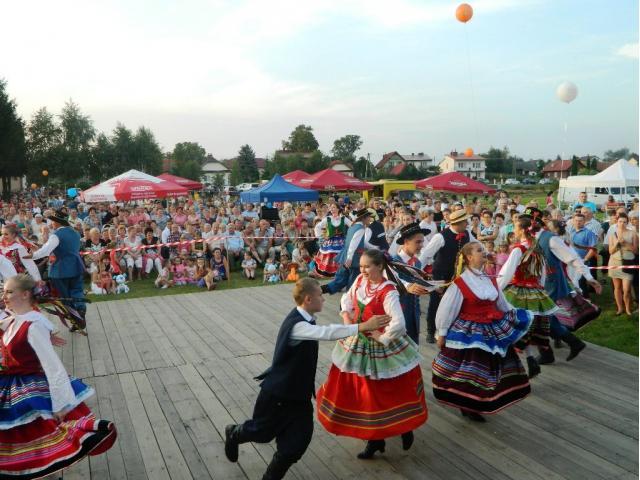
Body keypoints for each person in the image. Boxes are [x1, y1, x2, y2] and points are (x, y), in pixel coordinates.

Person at [224, 278, 390, 480]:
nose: (324, 299)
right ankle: (234, 433)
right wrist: (362, 326)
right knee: (262, 432)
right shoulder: (298, 326)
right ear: (308, 299)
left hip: (299, 397)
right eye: (320, 295)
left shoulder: (306, 319)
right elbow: (326, 333)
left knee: (296, 444)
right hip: (278, 394)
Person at [0, 274, 117, 478]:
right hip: (11, 384)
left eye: (9, 292)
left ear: (25, 294)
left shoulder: (33, 325)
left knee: (44, 441)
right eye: (3, 292)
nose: (4, 296)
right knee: (25, 440)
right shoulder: (13, 320)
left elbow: (53, 366)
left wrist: (61, 404)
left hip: (31, 389)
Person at [316, 249, 428, 459]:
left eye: (367, 266)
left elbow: (399, 323)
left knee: (388, 391)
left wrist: (382, 337)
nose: (363, 270)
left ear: (380, 266)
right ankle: (375, 440)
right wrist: (347, 319)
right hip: (358, 341)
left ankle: (404, 428)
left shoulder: (388, 290)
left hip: (381, 347)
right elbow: (347, 300)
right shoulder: (360, 281)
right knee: (365, 394)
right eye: (361, 266)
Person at [433, 242, 532, 422]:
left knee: (488, 370)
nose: (484, 252)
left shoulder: (490, 278)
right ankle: (468, 405)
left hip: (491, 329)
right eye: (479, 250)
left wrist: (516, 318)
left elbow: (502, 303)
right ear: (469, 257)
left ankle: (479, 403)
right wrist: (442, 332)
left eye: (483, 249)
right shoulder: (460, 282)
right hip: (469, 333)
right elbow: (447, 309)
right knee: (470, 371)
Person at [497, 216, 557, 378]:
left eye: (515, 227)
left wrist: (496, 290)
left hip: (518, 292)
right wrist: (539, 289)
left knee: (510, 327)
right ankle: (530, 361)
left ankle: (510, 369)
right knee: (525, 328)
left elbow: (506, 273)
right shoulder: (536, 248)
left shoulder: (518, 249)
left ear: (523, 230)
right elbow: (541, 274)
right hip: (535, 292)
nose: (514, 231)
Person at [419, 209, 475, 343]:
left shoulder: (467, 233)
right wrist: (417, 273)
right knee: (436, 303)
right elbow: (425, 255)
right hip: (440, 276)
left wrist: (487, 255)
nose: (467, 224)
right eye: (465, 221)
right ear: (458, 223)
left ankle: (449, 331)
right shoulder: (440, 237)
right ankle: (431, 331)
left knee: (455, 303)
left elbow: (476, 244)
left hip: (458, 276)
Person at [30, 210, 87, 331]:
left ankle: (76, 319)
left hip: (61, 269)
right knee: (77, 290)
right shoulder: (75, 233)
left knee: (65, 297)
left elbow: (46, 250)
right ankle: (80, 309)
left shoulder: (56, 235)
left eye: (53, 221)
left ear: (57, 222)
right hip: (76, 265)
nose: (51, 223)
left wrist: (33, 255)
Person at [391, 222, 432, 343]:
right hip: (398, 310)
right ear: (406, 242)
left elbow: (417, 284)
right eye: (418, 242)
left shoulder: (417, 262)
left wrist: (430, 285)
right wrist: (408, 286)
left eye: (422, 242)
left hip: (414, 310)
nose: (421, 245)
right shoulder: (393, 262)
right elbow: (393, 281)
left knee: (413, 342)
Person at [322, 208, 374, 294]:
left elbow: (362, 242)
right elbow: (353, 244)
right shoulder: (360, 228)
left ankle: (321, 290)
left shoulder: (352, 226)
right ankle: (350, 298)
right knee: (353, 282)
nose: (370, 219)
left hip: (345, 256)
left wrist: (376, 248)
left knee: (340, 280)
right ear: (363, 218)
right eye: (369, 217)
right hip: (354, 259)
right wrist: (350, 258)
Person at [608, 213, 638, 317]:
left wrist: (625, 243)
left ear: (627, 223)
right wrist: (617, 243)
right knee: (617, 288)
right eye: (620, 221)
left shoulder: (632, 234)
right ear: (617, 222)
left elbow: (635, 251)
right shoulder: (613, 234)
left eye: (624, 222)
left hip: (628, 262)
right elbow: (610, 251)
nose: (622, 224)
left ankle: (628, 308)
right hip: (614, 262)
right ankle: (620, 308)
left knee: (626, 289)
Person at [311, 203, 352, 278]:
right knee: (330, 254)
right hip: (330, 241)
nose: (332, 209)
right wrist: (322, 236)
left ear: (338, 209)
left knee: (341, 255)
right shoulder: (328, 218)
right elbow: (317, 227)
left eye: (334, 207)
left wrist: (350, 235)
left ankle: (340, 272)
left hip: (341, 241)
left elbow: (352, 225)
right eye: (331, 208)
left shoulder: (343, 218)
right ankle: (329, 273)